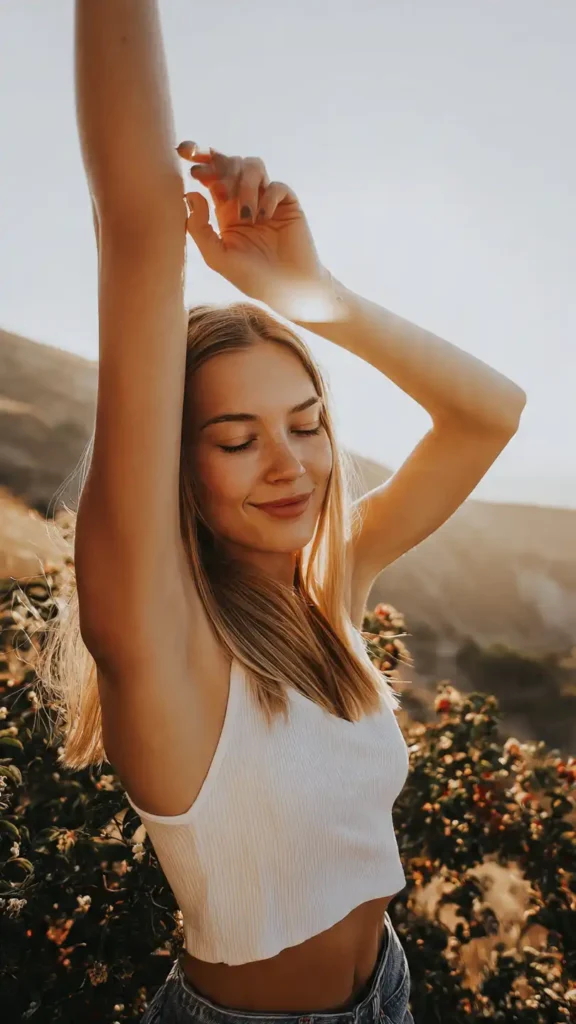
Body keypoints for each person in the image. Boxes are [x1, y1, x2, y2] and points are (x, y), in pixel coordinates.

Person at [41, 3, 527, 1022]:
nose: (290, 465)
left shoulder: (328, 590)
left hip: (387, 988)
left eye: (307, 425)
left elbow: (490, 415)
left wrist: (312, 291)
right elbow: (137, 232)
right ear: (171, 468)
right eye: (235, 438)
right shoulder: (161, 639)